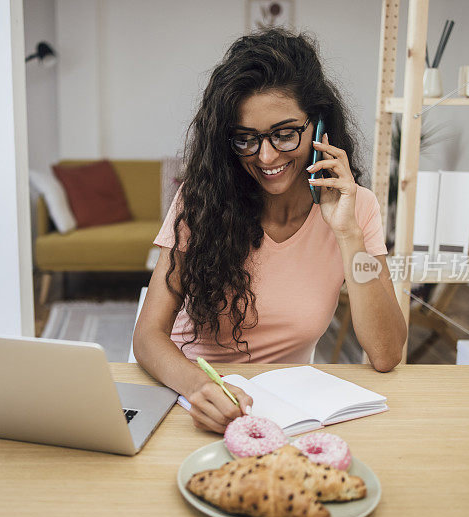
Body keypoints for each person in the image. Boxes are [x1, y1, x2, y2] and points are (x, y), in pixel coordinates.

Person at [132, 28, 406, 434]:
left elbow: (385, 354)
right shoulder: (202, 200)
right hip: (191, 394)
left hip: (285, 411)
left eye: (284, 133)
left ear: (319, 126)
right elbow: (148, 336)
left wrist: (348, 235)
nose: (266, 156)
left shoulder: (356, 207)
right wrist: (201, 386)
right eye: (246, 139)